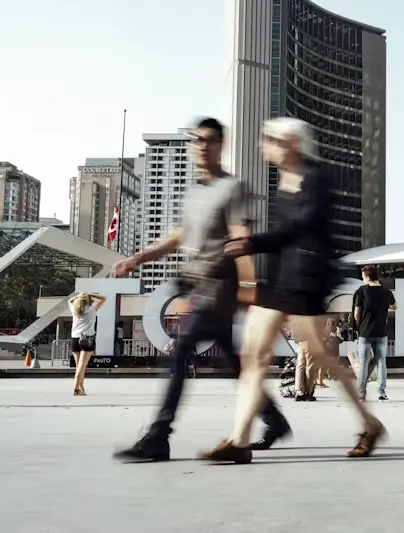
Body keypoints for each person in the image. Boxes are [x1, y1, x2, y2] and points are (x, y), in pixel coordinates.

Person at [201, 117, 385, 463]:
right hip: (282, 279)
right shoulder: (283, 180)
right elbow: (288, 233)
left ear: (291, 144)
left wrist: (251, 243)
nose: (263, 145)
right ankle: (239, 441)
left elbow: (300, 227)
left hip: (307, 281)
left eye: (270, 138)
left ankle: (369, 423)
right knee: (253, 355)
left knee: (323, 359)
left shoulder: (316, 178)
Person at [111, 117, 290, 462]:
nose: (201, 145)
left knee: (181, 353)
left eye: (209, 140)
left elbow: (240, 237)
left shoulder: (232, 187)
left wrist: (249, 287)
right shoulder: (194, 192)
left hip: (220, 286)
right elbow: (179, 236)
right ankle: (274, 419)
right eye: (196, 140)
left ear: (221, 145)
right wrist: (139, 257)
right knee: (233, 362)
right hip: (197, 285)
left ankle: (159, 435)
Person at [353, 264, 396, 402]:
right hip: (381, 331)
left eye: (363, 277)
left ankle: (361, 393)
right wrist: (383, 306)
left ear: (367, 277)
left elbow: (356, 314)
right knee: (381, 362)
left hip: (365, 332)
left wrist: (359, 328)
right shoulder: (386, 292)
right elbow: (395, 307)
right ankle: (382, 392)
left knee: (364, 362)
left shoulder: (362, 291)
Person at [68, 292, 106, 396]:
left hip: (75, 338)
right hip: (87, 338)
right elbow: (103, 298)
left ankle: (81, 388)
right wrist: (91, 294)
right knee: (82, 365)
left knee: (79, 366)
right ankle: (75, 388)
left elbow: (70, 300)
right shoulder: (92, 309)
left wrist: (80, 295)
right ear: (89, 300)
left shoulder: (74, 308)